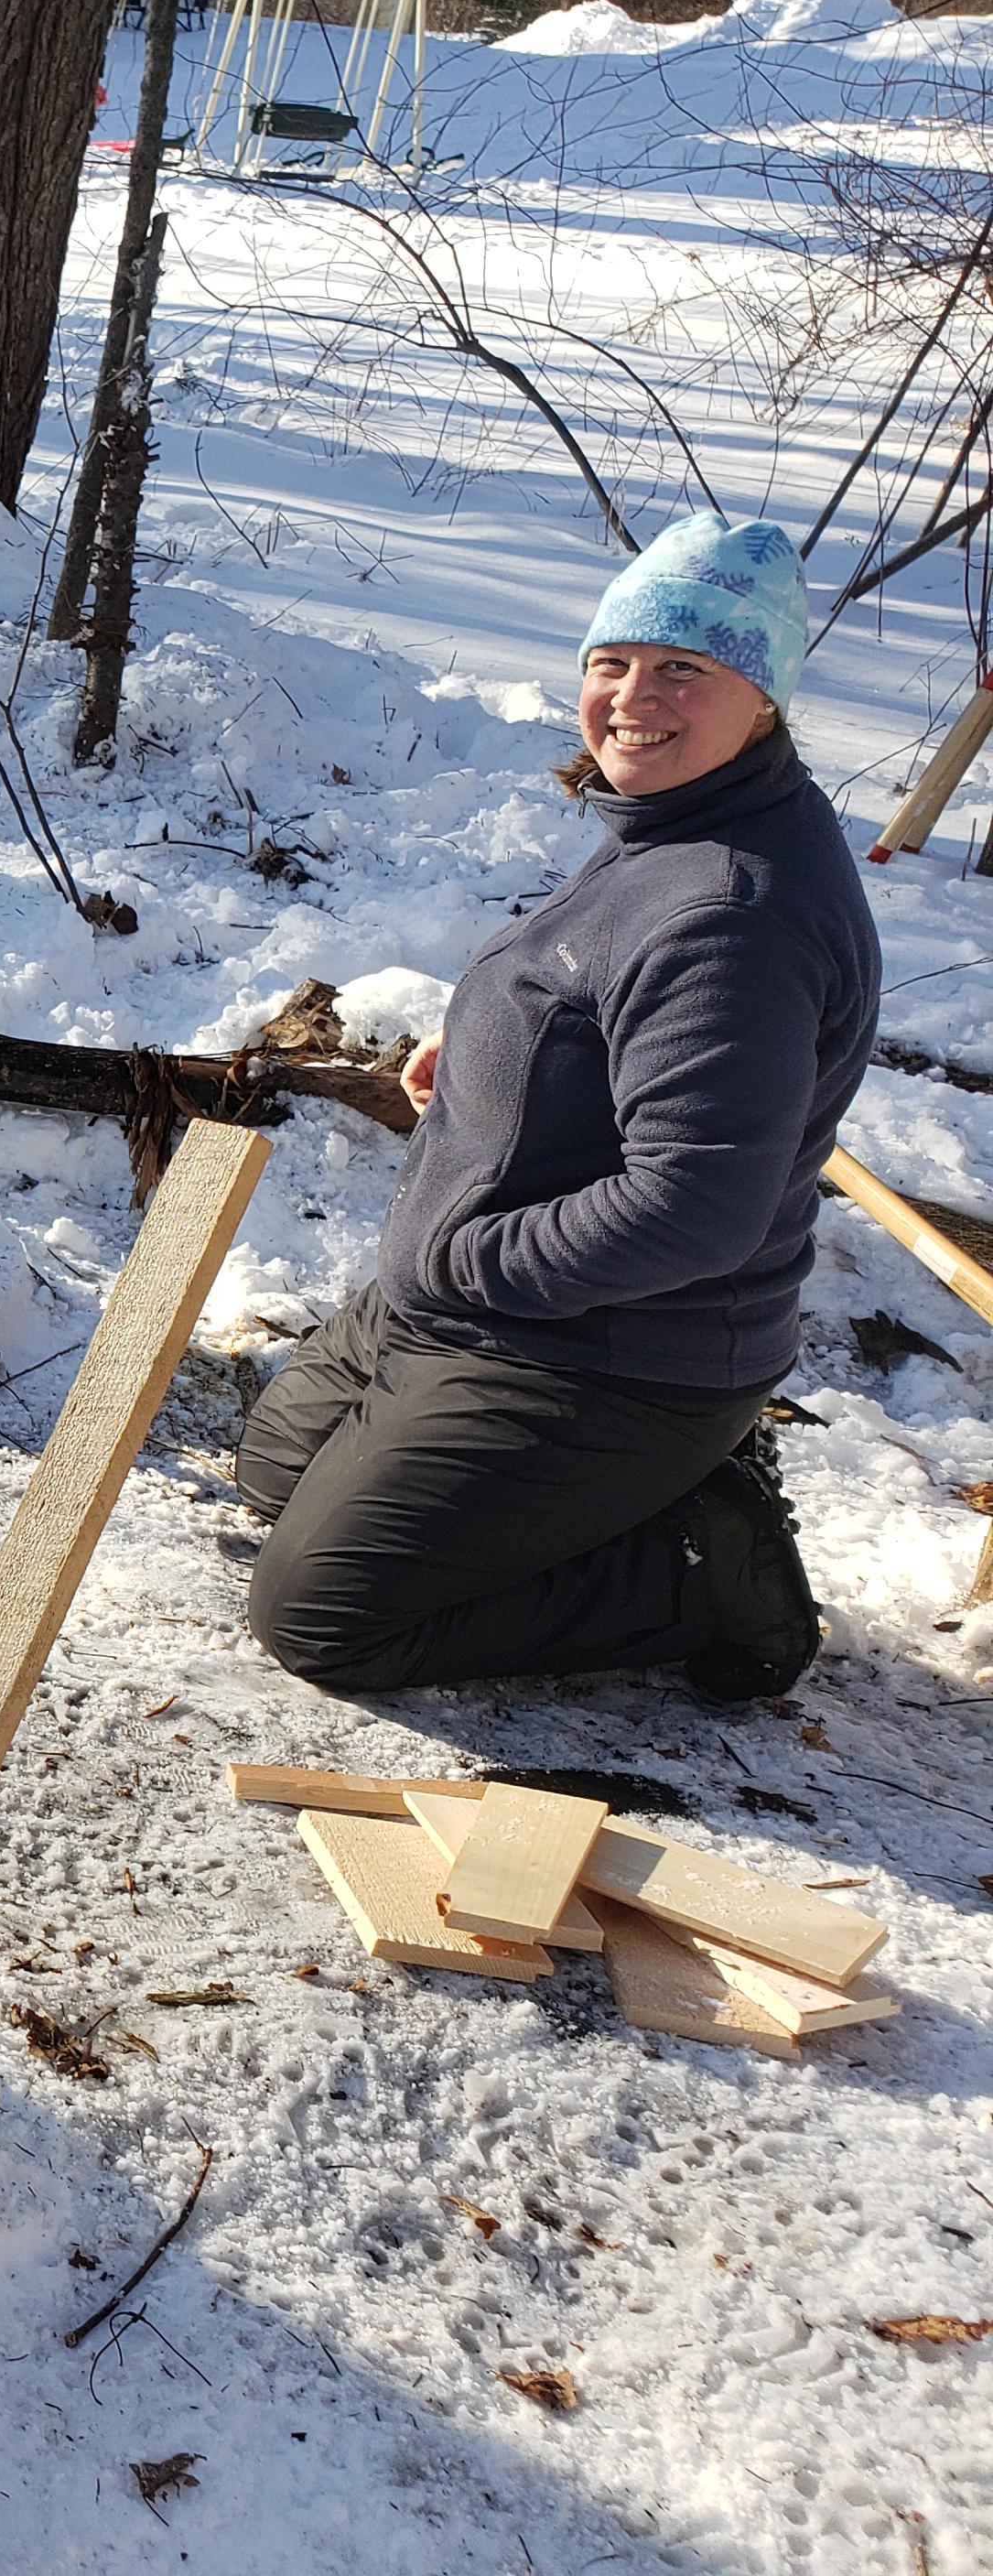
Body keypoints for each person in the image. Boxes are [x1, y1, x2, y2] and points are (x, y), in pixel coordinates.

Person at [237, 513, 883, 1702]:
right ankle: (611, 1500)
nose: (636, 696)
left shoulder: (729, 909)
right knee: (277, 1478)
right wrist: (490, 1045)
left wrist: (474, 1263)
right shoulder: (694, 817)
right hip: (486, 1305)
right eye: (614, 662)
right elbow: (603, 984)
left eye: (686, 668)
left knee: (322, 1616)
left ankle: (698, 1568)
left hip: (607, 1353)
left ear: (766, 698)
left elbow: (693, 1205)